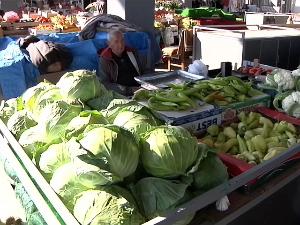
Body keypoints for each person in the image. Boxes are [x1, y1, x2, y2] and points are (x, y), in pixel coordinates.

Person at [98, 30, 150, 96]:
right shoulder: (105, 59)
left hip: (141, 88)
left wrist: (145, 84)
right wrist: (129, 90)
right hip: (121, 94)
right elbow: (104, 84)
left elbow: (146, 70)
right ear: (109, 44)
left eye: (122, 40)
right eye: (116, 42)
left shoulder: (133, 52)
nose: (120, 45)